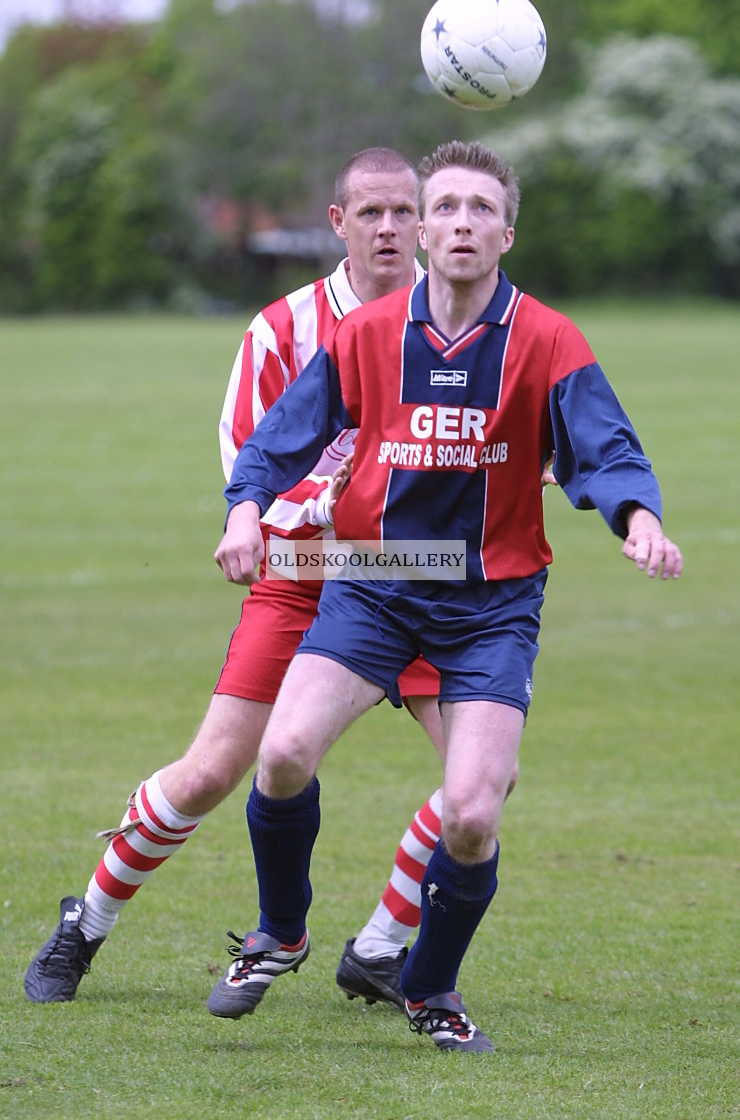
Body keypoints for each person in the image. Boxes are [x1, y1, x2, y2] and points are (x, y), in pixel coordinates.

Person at [210, 140, 683, 1054]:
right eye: (447, 207)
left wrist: (637, 518)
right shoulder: (367, 335)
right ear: (422, 230)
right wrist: (245, 510)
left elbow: (608, 448)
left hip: (490, 604)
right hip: (377, 586)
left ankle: (428, 984)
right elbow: (280, 437)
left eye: (481, 208)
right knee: (281, 755)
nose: (461, 222)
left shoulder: (547, 339)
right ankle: (282, 931)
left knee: (471, 812)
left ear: (507, 232)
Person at [24, 148, 459, 1007]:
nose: (388, 229)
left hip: (415, 579)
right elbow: (251, 460)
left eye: (402, 212)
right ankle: (87, 925)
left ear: (425, 220)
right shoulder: (283, 328)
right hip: (303, 574)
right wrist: (318, 507)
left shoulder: (458, 321)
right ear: (336, 223)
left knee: (479, 778)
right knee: (213, 768)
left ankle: (380, 944)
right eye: (368, 213)